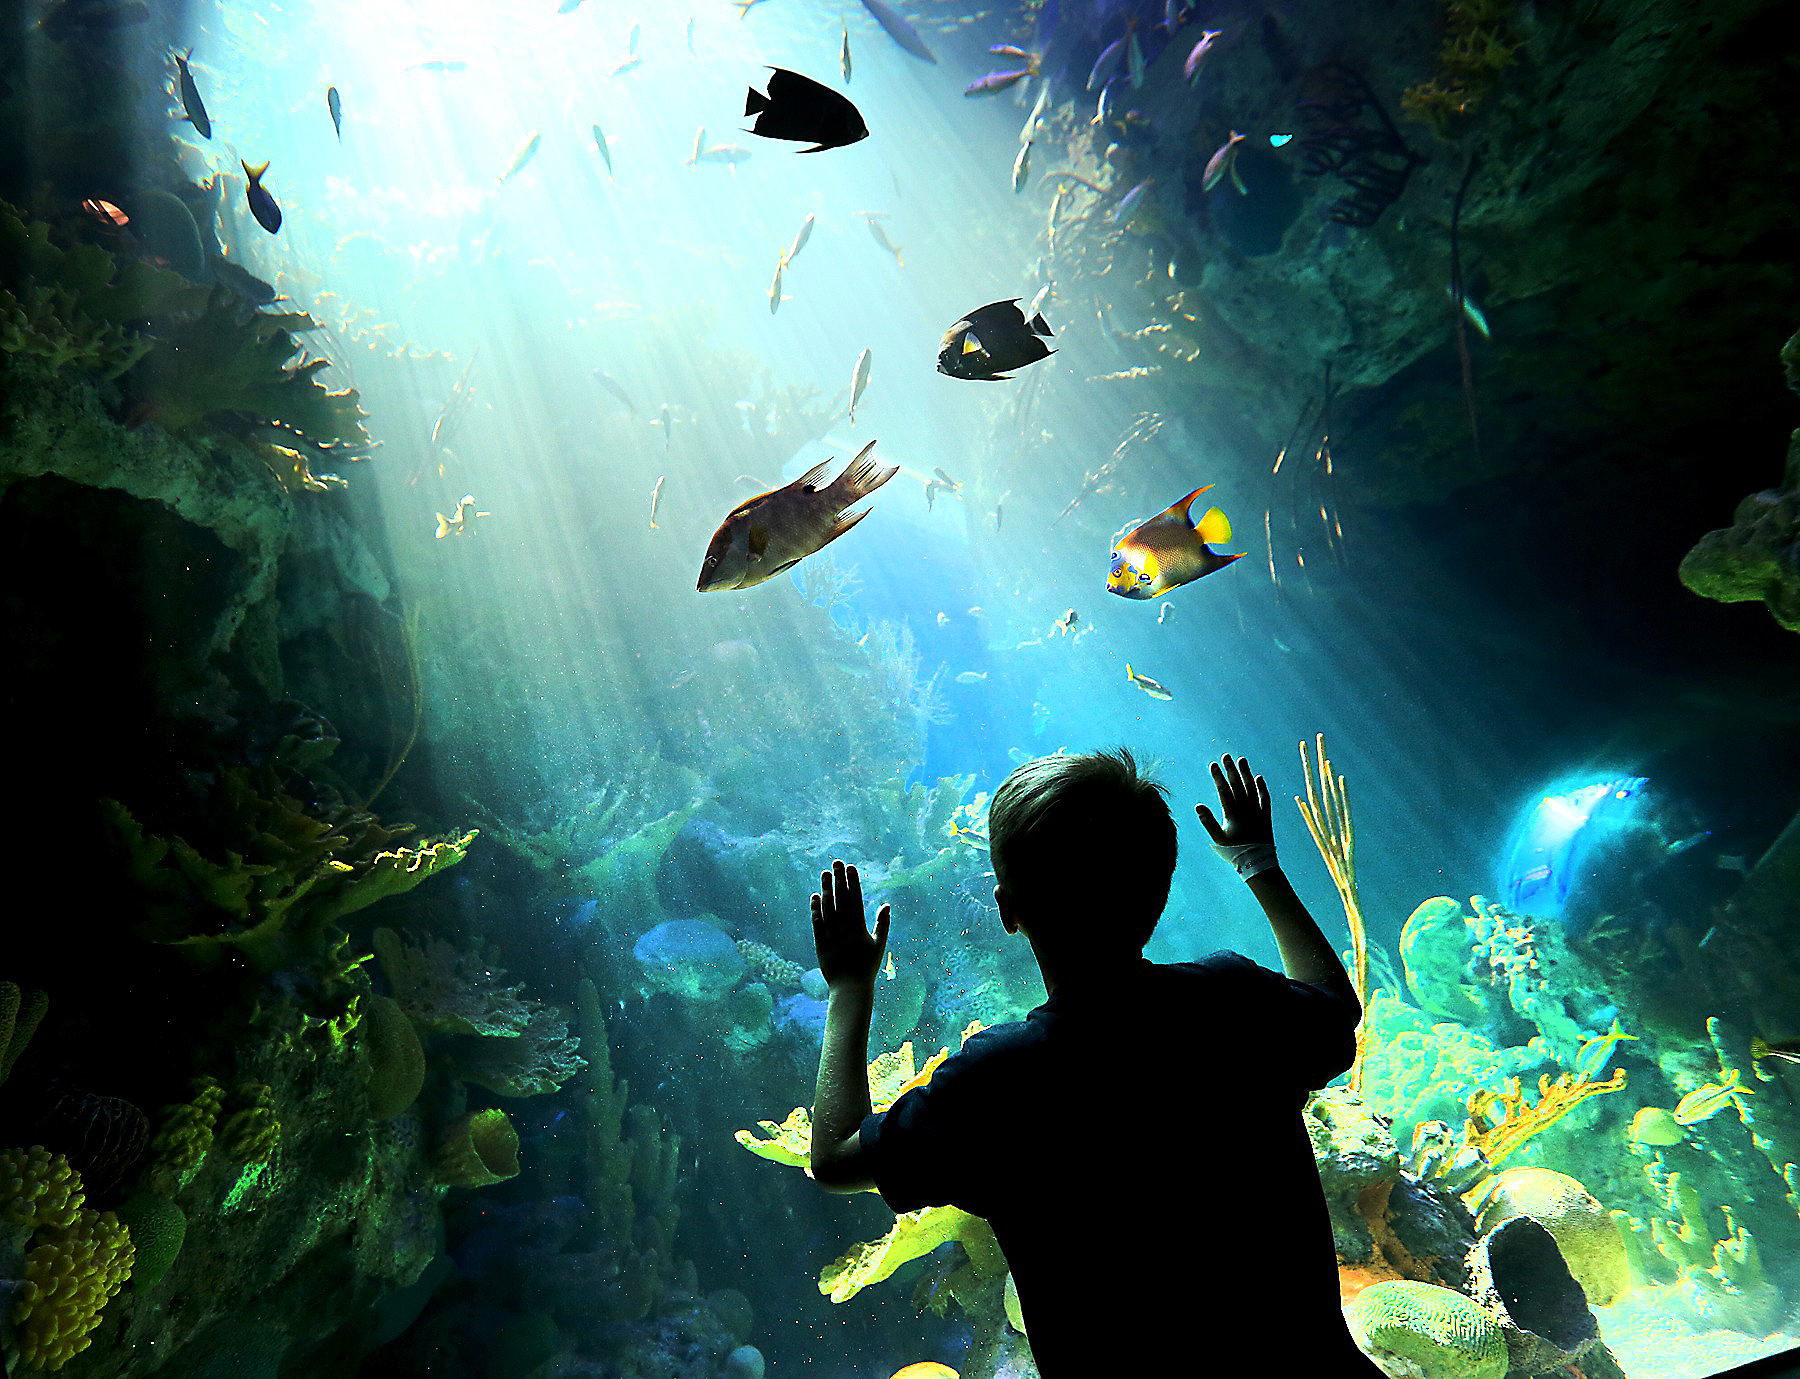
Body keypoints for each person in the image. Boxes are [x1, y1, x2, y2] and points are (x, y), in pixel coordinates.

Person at [807, 750, 1383, 1377]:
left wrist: (850, 987)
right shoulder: (1232, 1000)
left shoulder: (999, 1082)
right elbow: (1334, 1005)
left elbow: (835, 1159)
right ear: (1159, 890)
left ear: (1008, 910)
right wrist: (1257, 863)